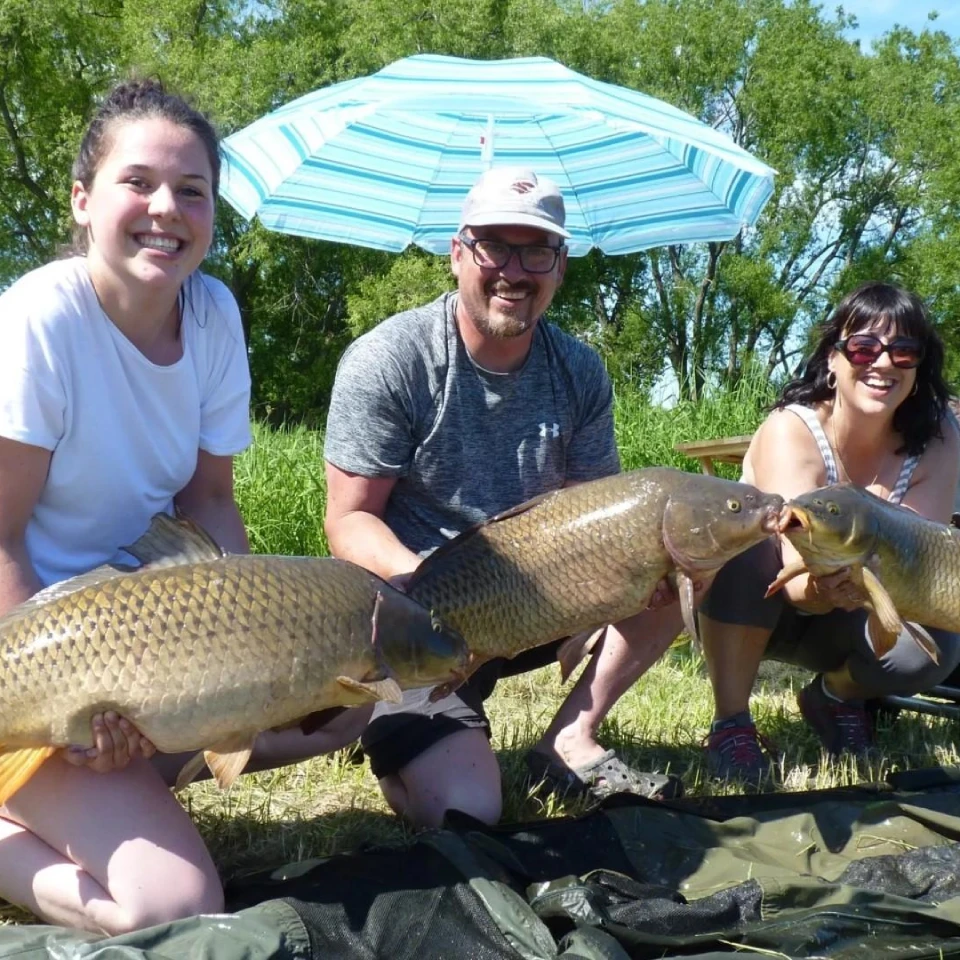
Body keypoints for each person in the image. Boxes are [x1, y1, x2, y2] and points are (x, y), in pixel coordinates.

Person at [0, 79, 368, 935]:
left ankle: (117, 780)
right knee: (176, 905)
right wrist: (60, 715)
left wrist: (242, 653)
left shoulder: (212, 315)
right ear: (85, 201)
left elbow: (209, 501)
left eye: (192, 191)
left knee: (349, 694)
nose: (167, 208)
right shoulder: (38, 320)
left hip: (137, 636)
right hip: (31, 646)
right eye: (139, 183)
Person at [323, 166, 692, 829]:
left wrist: (632, 585)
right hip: (420, 614)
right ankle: (404, 732)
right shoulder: (392, 360)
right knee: (470, 811)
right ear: (457, 252)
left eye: (537, 251)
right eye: (495, 246)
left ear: (561, 265)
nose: (514, 271)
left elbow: (589, 513)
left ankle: (570, 737)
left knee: (689, 559)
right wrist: (422, 596)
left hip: (540, 599)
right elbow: (350, 520)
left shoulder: (579, 370)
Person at [699, 282, 960, 787]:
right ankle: (731, 722)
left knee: (936, 644)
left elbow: (919, 564)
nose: (883, 364)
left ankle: (836, 696)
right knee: (745, 543)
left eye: (904, 351)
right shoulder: (789, 429)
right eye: (864, 347)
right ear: (834, 358)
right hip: (753, 605)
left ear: (919, 367)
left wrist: (862, 586)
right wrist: (821, 587)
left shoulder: (942, 439)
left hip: (857, 606)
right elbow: (796, 573)